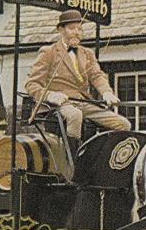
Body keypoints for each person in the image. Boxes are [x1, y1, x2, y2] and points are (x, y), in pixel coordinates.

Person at [24, 9, 131, 155]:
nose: (77, 32)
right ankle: (73, 163)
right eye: (72, 28)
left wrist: (107, 93)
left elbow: (97, 75)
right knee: (75, 115)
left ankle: (103, 160)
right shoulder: (48, 52)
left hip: (84, 103)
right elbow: (31, 85)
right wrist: (50, 95)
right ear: (61, 30)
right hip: (58, 105)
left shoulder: (87, 53)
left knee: (123, 124)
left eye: (80, 29)